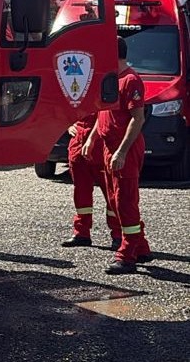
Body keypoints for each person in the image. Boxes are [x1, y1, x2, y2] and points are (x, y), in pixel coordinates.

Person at [82, 37, 153, 274]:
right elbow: (104, 114)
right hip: (108, 147)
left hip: (125, 149)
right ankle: (141, 248)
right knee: (115, 200)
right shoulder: (112, 80)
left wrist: (121, 152)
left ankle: (127, 255)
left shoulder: (130, 80)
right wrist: (93, 138)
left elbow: (138, 118)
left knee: (125, 202)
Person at [60, 113, 121, 250]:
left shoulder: (104, 92)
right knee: (81, 193)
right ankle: (81, 233)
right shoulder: (80, 92)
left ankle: (118, 235)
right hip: (78, 145)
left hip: (99, 147)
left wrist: (91, 139)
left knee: (111, 194)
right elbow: (65, 107)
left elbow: (104, 117)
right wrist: (68, 124)